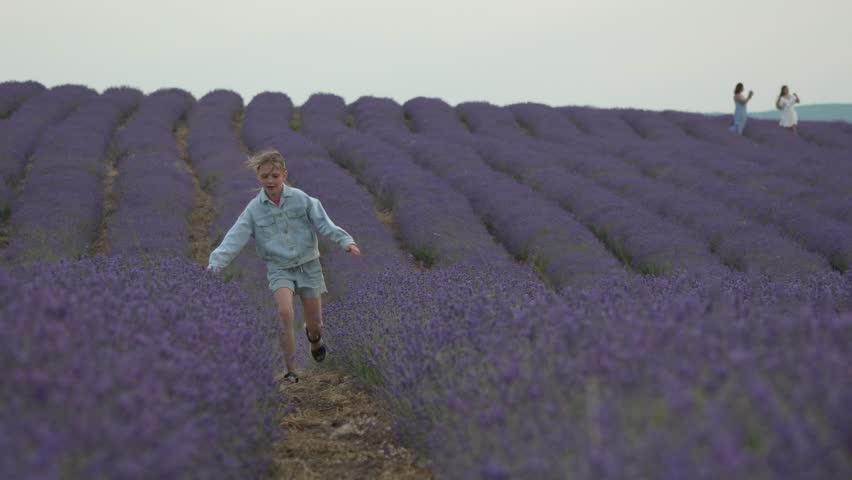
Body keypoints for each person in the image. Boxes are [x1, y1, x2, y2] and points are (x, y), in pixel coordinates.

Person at [207, 149, 361, 383]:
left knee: (315, 324)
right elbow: (234, 238)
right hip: (279, 268)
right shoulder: (253, 210)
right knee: (284, 313)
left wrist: (346, 241)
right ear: (258, 177)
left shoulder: (302, 199)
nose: (270, 181)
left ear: (284, 175)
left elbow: (324, 223)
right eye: (265, 176)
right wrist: (214, 265)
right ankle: (291, 370)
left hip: (308, 265)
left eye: (275, 176)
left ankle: (314, 338)